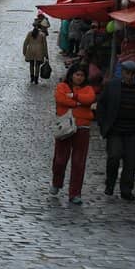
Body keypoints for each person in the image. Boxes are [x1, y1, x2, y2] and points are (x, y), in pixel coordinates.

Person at [96, 60, 135, 201]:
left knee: (130, 162)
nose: (130, 76)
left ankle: (126, 190)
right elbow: (101, 105)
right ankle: (110, 183)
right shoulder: (112, 87)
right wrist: (103, 125)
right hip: (115, 130)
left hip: (134, 132)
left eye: (133, 74)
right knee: (114, 157)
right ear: (122, 73)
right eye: (128, 73)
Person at [52, 65, 97, 204]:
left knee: (79, 162)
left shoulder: (88, 89)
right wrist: (78, 103)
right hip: (65, 127)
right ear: (71, 75)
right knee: (60, 159)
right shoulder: (62, 86)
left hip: (82, 128)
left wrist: (74, 97)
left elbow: (90, 99)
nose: (79, 77)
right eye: (77, 74)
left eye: (82, 75)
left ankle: (75, 193)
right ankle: (56, 183)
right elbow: (60, 99)